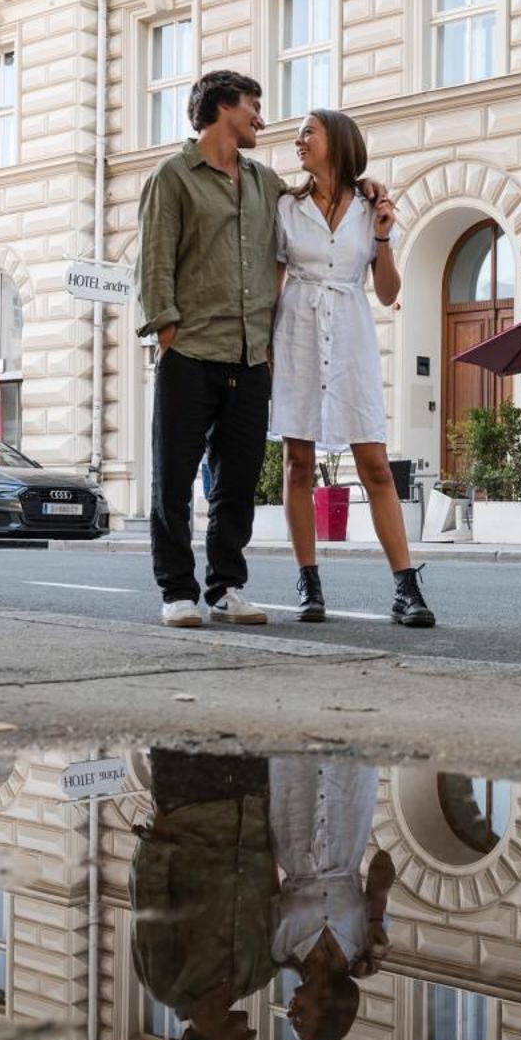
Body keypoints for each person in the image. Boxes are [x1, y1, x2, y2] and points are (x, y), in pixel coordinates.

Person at [136, 72, 387, 629]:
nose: (260, 117)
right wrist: (168, 333)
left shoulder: (264, 181)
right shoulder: (173, 177)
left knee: (238, 482)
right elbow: (153, 263)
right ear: (224, 107)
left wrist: (369, 187)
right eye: (253, 105)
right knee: (173, 480)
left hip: (251, 357)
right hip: (191, 351)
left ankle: (226, 586)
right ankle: (177, 591)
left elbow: (324, 198)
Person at [272, 109, 434, 628]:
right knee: (298, 462)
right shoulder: (286, 207)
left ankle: (405, 586)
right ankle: (308, 580)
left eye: (308, 133)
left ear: (336, 143)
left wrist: (384, 235)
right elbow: (275, 279)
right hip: (297, 331)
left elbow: (388, 293)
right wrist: (266, 343)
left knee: (376, 465)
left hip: (351, 338)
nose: (298, 140)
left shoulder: (371, 208)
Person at [130, 752, 279, 1040]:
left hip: (190, 807)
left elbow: (149, 902)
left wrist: (158, 833)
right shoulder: (259, 975)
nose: (251, 1035)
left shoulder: (166, 984)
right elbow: (273, 896)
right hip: (249, 807)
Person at [267, 758, 395, 1040]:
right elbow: (383, 862)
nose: (290, 1014)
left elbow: (264, 878)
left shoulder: (279, 950)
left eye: (290, 1022)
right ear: (329, 1009)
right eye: (301, 1022)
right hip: (346, 824)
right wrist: (375, 920)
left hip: (292, 826)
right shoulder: (364, 948)